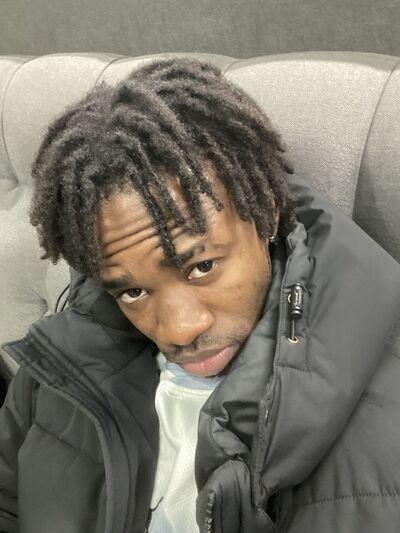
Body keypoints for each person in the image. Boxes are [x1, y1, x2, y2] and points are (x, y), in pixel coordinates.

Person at [0, 57, 400, 533]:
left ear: (267, 213)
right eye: (132, 291)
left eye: (202, 266)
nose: (179, 330)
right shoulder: (53, 371)